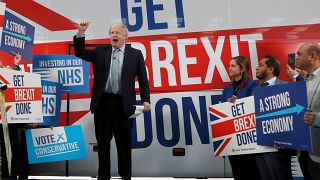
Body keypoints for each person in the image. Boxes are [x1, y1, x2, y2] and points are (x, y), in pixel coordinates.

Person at [73, 21, 151, 180]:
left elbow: (143, 79)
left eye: (117, 33)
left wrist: (146, 100)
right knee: (103, 145)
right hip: (103, 104)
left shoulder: (135, 54)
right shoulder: (101, 51)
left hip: (124, 106)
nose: (113, 35)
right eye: (111, 33)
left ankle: (125, 177)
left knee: (124, 146)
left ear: (125, 36)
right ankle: (103, 177)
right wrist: (81, 33)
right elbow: (80, 52)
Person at [255, 55, 295, 180]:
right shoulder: (255, 90)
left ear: (270, 69)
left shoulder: (286, 87)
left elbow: (293, 117)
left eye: (261, 65)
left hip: (280, 149)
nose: (256, 68)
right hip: (260, 149)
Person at [221, 56, 260, 180]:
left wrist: (238, 102)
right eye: (229, 65)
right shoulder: (227, 89)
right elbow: (223, 111)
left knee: (252, 173)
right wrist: (227, 104)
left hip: (248, 138)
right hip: (233, 139)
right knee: (237, 174)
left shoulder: (253, 85)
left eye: (233, 66)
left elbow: (253, 105)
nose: (229, 68)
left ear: (242, 68)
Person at [0, 52, 30, 180]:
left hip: (10, 121)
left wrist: (16, 65)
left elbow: (17, 85)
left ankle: (10, 175)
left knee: (12, 150)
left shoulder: (6, 73)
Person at [294, 43, 320, 180]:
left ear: (312, 56)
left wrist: (317, 119)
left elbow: (313, 117)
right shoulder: (307, 81)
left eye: (299, 53)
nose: (295, 57)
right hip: (305, 151)